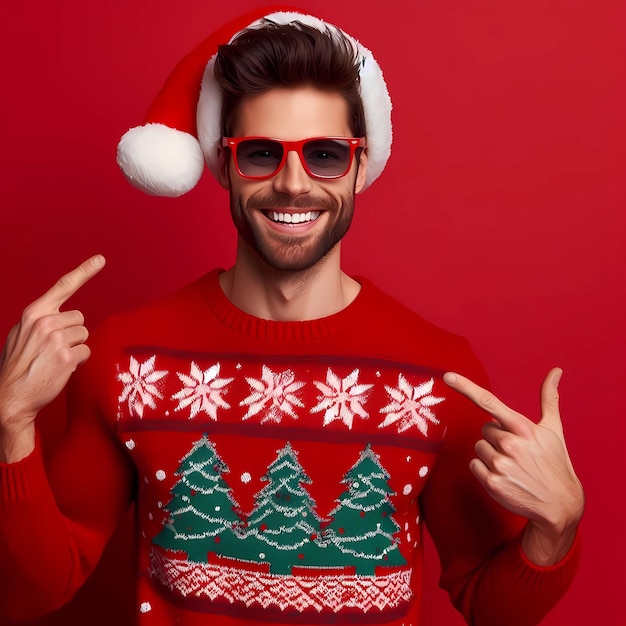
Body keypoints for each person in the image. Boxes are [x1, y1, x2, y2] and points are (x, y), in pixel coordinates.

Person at [0, 9, 583, 626]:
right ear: (221, 164)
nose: (293, 183)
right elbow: (40, 588)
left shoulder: (439, 374)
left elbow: (493, 607)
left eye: (325, 154)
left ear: (360, 165)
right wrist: (11, 425)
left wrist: (557, 529)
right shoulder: (126, 357)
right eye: (260, 153)